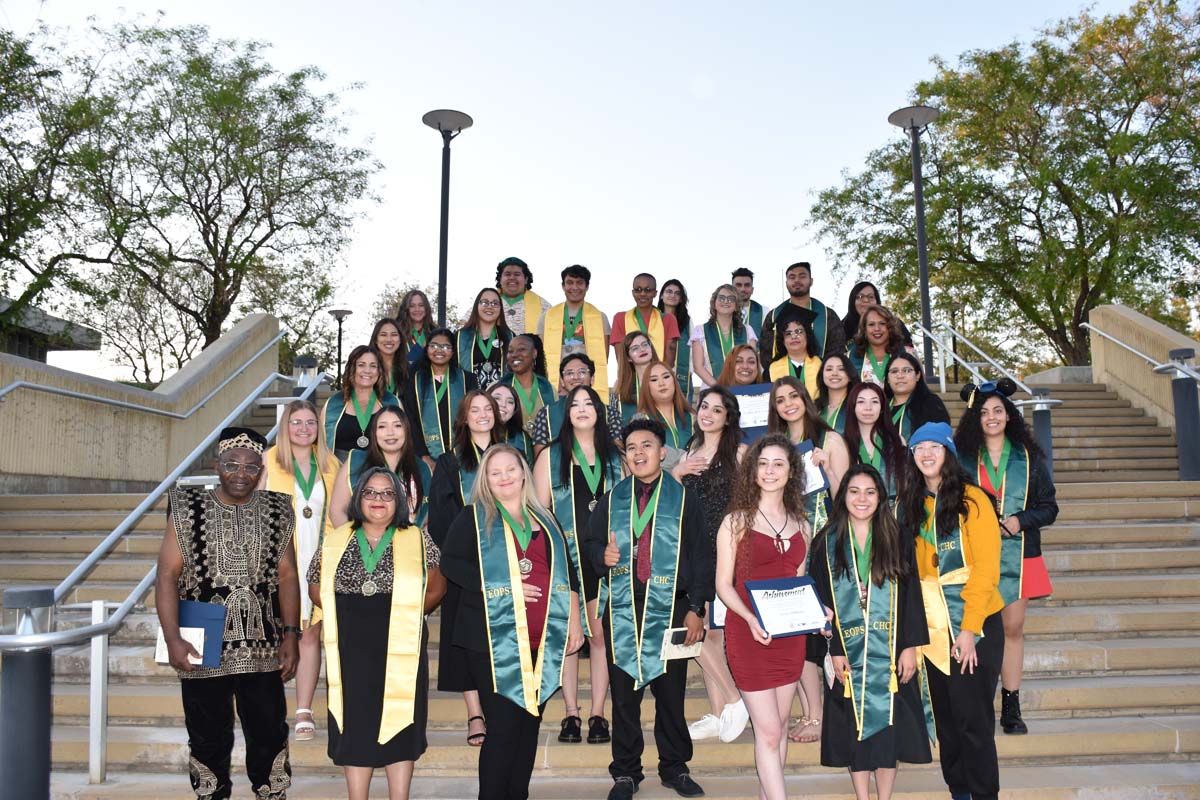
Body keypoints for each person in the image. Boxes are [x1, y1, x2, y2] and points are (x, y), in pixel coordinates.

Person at [155, 427, 299, 800]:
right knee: (206, 734)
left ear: (261, 471)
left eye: (251, 466)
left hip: (262, 643)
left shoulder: (277, 509)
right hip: (201, 640)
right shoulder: (187, 508)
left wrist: (291, 634)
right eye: (232, 464)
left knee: (268, 731)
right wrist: (172, 638)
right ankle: (211, 794)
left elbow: (287, 575)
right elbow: (167, 575)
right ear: (217, 466)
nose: (241, 473)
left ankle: (271, 793)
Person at [441, 445, 585, 800]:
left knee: (529, 726)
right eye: (495, 472)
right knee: (504, 728)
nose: (504, 477)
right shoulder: (474, 518)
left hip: (543, 640)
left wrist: (575, 623)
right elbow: (451, 564)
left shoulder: (547, 519)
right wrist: (504, 584)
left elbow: (568, 573)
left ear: (523, 473)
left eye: (510, 469)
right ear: (485, 480)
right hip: (492, 642)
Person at [583, 417, 710, 800]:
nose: (639, 453)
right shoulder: (613, 499)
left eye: (647, 446)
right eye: (632, 448)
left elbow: (702, 555)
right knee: (624, 697)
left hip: (672, 609)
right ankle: (626, 773)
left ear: (662, 452)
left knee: (671, 695)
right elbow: (590, 543)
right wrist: (601, 556)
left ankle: (675, 768)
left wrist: (696, 608)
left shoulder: (684, 499)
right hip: (624, 608)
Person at [307, 467, 446, 800]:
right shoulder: (336, 539)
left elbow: (436, 587)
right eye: (370, 492)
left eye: (387, 493)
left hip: (401, 642)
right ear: (358, 498)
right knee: (354, 724)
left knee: (401, 723)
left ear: (399, 500)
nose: (378, 499)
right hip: (350, 647)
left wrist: (408, 614)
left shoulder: (418, 538)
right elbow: (315, 585)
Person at [811, 464, 932, 800]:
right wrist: (834, 648)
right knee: (854, 731)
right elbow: (820, 600)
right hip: (847, 655)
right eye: (854, 491)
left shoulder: (898, 537)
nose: (861, 499)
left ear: (880, 497)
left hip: (891, 652)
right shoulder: (826, 542)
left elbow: (911, 595)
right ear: (843, 497)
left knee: (890, 731)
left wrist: (910, 646)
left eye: (869, 492)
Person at [898, 422, 1004, 800]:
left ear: (948, 452)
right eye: (919, 448)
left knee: (973, 721)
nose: (927, 454)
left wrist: (969, 629)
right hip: (930, 629)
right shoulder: (907, 505)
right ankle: (959, 793)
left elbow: (986, 570)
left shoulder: (972, 501)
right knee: (945, 721)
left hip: (973, 625)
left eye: (935, 447)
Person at [955, 379, 1058, 735]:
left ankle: (1011, 705)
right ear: (975, 418)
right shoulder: (962, 459)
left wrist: (1019, 521)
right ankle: (977, 701)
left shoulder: (1029, 459)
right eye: (984, 412)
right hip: (972, 556)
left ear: (1009, 415)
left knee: (1012, 629)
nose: (992, 417)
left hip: (1020, 555)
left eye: (998, 410)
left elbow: (1049, 507)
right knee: (978, 629)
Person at [715, 434, 813, 800]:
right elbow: (723, 585)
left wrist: (817, 610)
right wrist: (749, 618)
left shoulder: (802, 524)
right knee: (769, 731)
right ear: (752, 471)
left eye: (778, 464)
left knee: (780, 727)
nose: (770, 471)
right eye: (763, 463)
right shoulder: (735, 521)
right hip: (748, 633)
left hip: (789, 638)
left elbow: (798, 584)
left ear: (792, 472)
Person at [533, 386, 624, 746]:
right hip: (565, 559)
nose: (582, 409)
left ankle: (598, 712)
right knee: (569, 639)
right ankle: (571, 712)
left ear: (600, 412)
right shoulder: (550, 456)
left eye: (589, 403)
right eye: (575, 404)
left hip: (604, 559)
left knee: (600, 636)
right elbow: (538, 513)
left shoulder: (616, 458)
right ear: (566, 413)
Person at [766, 376, 849, 743]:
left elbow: (849, 497)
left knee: (826, 631)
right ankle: (812, 713)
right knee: (796, 630)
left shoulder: (830, 439)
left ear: (805, 398)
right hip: (789, 547)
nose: (788, 404)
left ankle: (831, 713)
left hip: (826, 546)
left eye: (793, 396)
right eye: (780, 399)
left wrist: (827, 468)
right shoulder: (776, 446)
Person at [258, 401, 341, 743]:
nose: (304, 428)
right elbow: (253, 507)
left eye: (310, 422)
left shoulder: (332, 464)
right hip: (277, 559)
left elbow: (340, 513)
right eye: (296, 422)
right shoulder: (268, 460)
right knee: (272, 632)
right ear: (285, 426)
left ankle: (304, 709)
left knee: (310, 634)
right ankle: (266, 708)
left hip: (317, 557)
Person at [671, 386, 750, 744]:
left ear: (728, 417)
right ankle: (725, 708)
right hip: (691, 551)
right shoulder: (689, 451)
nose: (708, 413)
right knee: (696, 629)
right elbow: (673, 500)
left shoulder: (740, 453)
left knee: (712, 633)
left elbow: (751, 500)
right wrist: (677, 471)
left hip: (726, 551)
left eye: (717, 409)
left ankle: (728, 705)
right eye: (704, 407)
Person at [427, 391, 504, 748]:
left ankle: (500, 706)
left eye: (488, 408)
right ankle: (475, 713)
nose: (482, 414)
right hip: (464, 563)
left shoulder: (510, 456)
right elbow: (440, 517)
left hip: (506, 560)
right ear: (464, 418)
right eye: (475, 409)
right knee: (465, 640)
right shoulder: (449, 462)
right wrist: (463, 553)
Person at [331, 406, 433, 531]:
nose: (390, 433)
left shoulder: (422, 468)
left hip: (410, 540)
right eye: (382, 426)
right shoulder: (355, 462)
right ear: (374, 432)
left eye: (397, 426)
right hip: (363, 540)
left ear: (407, 430)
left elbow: (428, 517)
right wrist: (354, 540)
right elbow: (337, 510)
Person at [404, 328, 478, 466]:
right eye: (434, 346)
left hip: (463, 455)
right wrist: (423, 455)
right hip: (426, 459)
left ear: (453, 351)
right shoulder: (414, 381)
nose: (439, 350)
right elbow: (410, 420)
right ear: (426, 349)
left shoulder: (467, 380)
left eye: (445, 346)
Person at [539, 264, 612, 401]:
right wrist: (559, 381)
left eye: (579, 283)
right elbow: (541, 357)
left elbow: (604, 356)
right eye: (570, 283)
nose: (574, 287)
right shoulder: (547, 317)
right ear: (563, 286)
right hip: (557, 385)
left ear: (587, 286)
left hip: (587, 384)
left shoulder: (600, 317)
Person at [322, 345, 402, 461]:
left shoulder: (392, 402)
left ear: (379, 371)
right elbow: (322, 446)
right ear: (352, 368)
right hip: (339, 467)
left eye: (373, 366)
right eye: (361, 365)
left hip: (381, 466)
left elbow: (402, 442)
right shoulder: (333, 404)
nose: (367, 371)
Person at [759, 262, 846, 364]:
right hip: (782, 372)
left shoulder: (827, 316)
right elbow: (766, 352)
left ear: (811, 281)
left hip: (820, 372)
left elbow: (837, 349)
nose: (797, 280)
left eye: (802, 276)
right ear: (786, 283)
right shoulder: (773, 316)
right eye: (792, 277)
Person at [842, 382, 909, 501]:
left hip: (890, 508)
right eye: (861, 401)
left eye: (874, 401)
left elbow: (906, 482)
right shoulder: (842, 443)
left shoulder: (897, 440)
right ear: (853, 407)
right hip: (857, 506)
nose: (868, 407)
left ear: (882, 408)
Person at [529, 352, 604, 457]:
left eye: (582, 372)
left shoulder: (609, 412)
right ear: (562, 381)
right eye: (569, 373)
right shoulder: (546, 413)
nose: (576, 377)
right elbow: (540, 456)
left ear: (592, 378)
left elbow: (617, 456)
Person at [610, 273, 680, 376]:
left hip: (659, 378)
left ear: (655, 293)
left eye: (648, 290)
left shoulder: (668, 319)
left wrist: (659, 377)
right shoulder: (620, 318)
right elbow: (620, 356)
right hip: (632, 378)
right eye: (638, 290)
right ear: (633, 292)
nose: (642, 293)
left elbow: (670, 353)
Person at [690, 284, 757, 389]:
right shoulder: (700, 332)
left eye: (731, 299)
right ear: (714, 303)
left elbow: (753, 362)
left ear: (736, 305)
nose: (726, 301)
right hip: (712, 390)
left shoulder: (748, 331)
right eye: (721, 298)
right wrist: (720, 389)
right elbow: (698, 367)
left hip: (742, 390)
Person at [636, 362, 693, 472]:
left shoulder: (693, 417)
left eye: (666, 377)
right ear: (647, 387)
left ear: (674, 381)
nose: (661, 383)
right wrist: (689, 458)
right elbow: (652, 453)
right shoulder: (640, 420)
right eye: (654, 380)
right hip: (661, 479)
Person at [495, 334, 556, 436]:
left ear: (534, 353)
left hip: (544, 444)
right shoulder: (497, 388)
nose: (514, 355)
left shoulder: (548, 389)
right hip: (508, 444)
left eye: (521, 349)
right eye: (510, 351)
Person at [885, 352, 949, 443]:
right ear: (887, 378)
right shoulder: (880, 405)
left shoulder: (931, 404)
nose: (900, 376)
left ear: (918, 375)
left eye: (907, 370)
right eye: (894, 371)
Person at [457, 287, 513, 389]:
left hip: (501, 396)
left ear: (500, 309)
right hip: (469, 395)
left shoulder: (510, 337)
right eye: (484, 302)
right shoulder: (460, 337)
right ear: (476, 306)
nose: (490, 306)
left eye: (495, 303)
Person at [610, 330, 661, 436]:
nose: (642, 349)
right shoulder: (620, 386)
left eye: (645, 344)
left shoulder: (666, 378)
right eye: (635, 348)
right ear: (628, 357)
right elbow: (615, 424)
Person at [848, 305, 911, 387]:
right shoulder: (849, 357)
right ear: (864, 329)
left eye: (882, 323)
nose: (877, 328)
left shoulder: (909, 354)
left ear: (890, 327)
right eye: (871, 324)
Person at [767, 307, 823, 397]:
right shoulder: (771, 369)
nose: (794, 337)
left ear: (807, 335)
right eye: (788, 333)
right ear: (782, 340)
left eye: (799, 331)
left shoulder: (822, 365)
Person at [841, 281, 914, 348]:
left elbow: (909, 351)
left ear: (877, 301)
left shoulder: (894, 323)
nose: (866, 300)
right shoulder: (841, 328)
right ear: (852, 301)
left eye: (871, 297)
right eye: (860, 296)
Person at [496, 256, 551, 335]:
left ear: (526, 279)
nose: (512, 278)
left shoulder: (544, 306)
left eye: (517, 274)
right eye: (507, 274)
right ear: (500, 279)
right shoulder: (486, 303)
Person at [657, 279, 692, 400]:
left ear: (681, 299)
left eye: (677, 293)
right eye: (669, 291)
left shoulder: (687, 322)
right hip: (658, 374)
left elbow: (692, 347)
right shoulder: (654, 318)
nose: (673, 295)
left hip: (681, 374)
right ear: (661, 295)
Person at [487, 381, 534, 463]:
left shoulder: (522, 439)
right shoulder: (470, 434)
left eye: (510, 402)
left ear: (514, 410)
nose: (503, 405)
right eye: (497, 398)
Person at [817, 353, 859, 435]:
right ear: (822, 375)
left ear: (850, 376)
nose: (834, 373)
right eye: (829, 369)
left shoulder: (857, 406)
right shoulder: (815, 408)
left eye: (841, 369)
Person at [397, 289, 435, 367]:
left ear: (426, 308)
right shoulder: (397, 333)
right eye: (412, 306)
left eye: (421, 305)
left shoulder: (435, 333)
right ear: (406, 309)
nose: (417, 309)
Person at [372, 317, 409, 396]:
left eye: (394, 335)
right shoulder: (366, 369)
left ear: (400, 340)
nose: (389, 339)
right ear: (375, 339)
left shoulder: (409, 371)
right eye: (383, 335)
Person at [731, 267, 764, 338]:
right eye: (738, 285)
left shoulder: (764, 311)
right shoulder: (723, 311)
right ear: (731, 288)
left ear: (752, 289)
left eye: (747, 285)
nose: (743, 289)